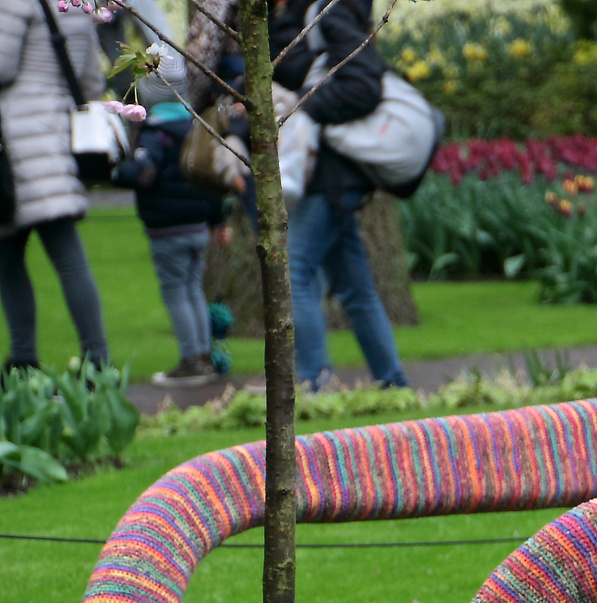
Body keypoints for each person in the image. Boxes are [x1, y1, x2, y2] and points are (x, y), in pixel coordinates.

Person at [187, 0, 406, 390]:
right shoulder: (279, 19)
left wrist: (300, 106)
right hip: (319, 174)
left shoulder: (326, 13)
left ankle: (311, 378)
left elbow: (363, 83)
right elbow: (261, 87)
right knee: (354, 286)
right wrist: (240, 131)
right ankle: (391, 381)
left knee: (294, 272)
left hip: (330, 173)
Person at [0, 0, 110, 373]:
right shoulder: (78, 4)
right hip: (56, 135)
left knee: (9, 258)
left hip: (16, 142)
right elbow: (91, 80)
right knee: (68, 257)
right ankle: (97, 361)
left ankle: (24, 362)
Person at [111, 80, 231, 386]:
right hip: (199, 227)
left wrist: (114, 169)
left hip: (168, 228)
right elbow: (211, 179)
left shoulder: (156, 133)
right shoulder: (198, 128)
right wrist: (218, 222)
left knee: (176, 292)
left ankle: (191, 361)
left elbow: (144, 173)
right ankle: (204, 357)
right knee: (193, 290)